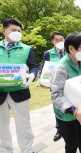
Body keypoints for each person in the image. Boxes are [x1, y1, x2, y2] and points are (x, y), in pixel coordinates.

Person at [50, 32, 81, 153]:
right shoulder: (61, 68)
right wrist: (74, 111)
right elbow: (56, 96)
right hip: (67, 115)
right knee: (72, 144)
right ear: (71, 48)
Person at [0, 18, 38, 153]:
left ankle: (27, 150)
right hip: (0, 93)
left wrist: (32, 75)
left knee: (24, 125)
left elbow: (34, 67)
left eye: (19, 31)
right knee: (1, 125)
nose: (17, 32)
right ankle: (5, 150)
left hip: (20, 92)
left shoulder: (27, 49)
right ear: (4, 31)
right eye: (13, 30)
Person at [38, 31, 67, 141]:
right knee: (58, 107)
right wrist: (41, 78)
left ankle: (73, 127)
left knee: (72, 105)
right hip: (54, 86)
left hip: (69, 85)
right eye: (57, 40)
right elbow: (43, 67)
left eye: (61, 39)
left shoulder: (69, 51)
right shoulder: (48, 53)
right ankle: (59, 130)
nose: (60, 41)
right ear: (52, 42)